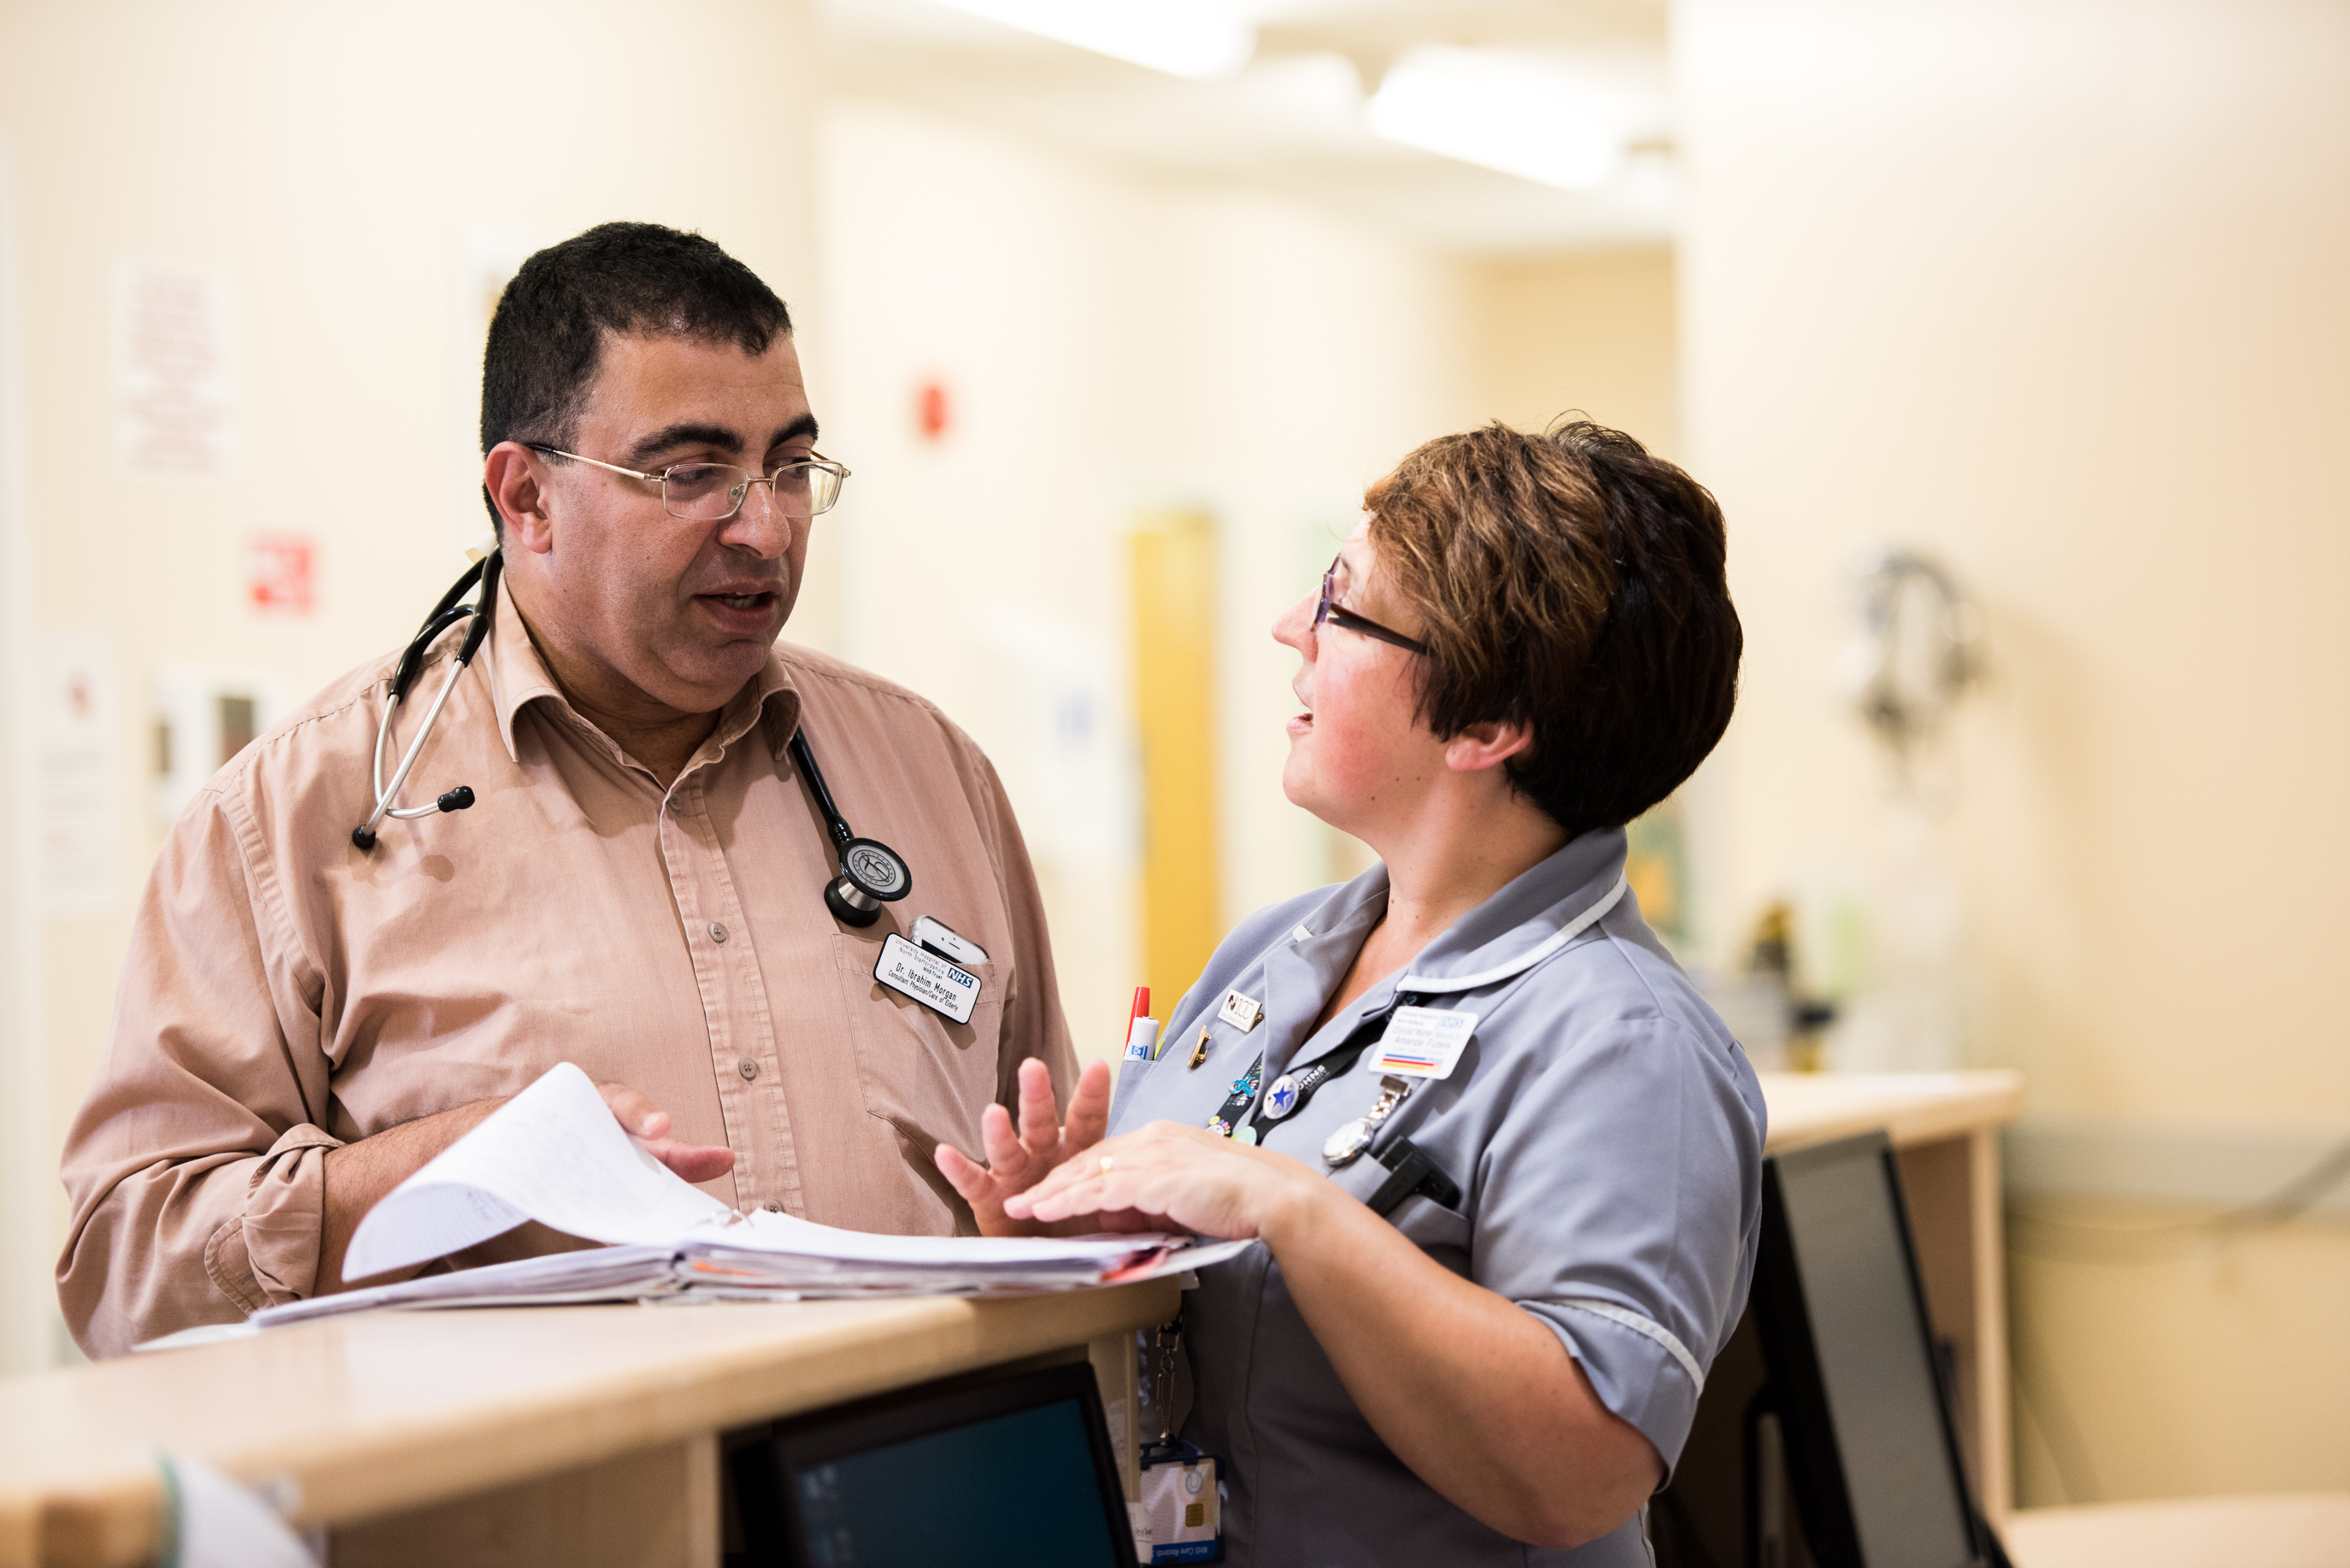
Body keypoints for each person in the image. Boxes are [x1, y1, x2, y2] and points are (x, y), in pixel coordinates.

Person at [58, 222, 1109, 1357]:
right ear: (526, 498)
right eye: (693, 473)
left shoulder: (934, 776)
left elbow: (1052, 1179)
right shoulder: (294, 818)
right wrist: (428, 1171)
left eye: (792, 468)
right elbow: (125, 1269)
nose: (765, 529)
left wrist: (1066, 1212)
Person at [951, 420, 1764, 1564]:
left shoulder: (1626, 1045)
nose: (1292, 625)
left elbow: (1583, 1471)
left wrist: (1293, 1209)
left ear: (1486, 724)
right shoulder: (1275, 954)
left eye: (1340, 602)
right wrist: (1070, 1243)